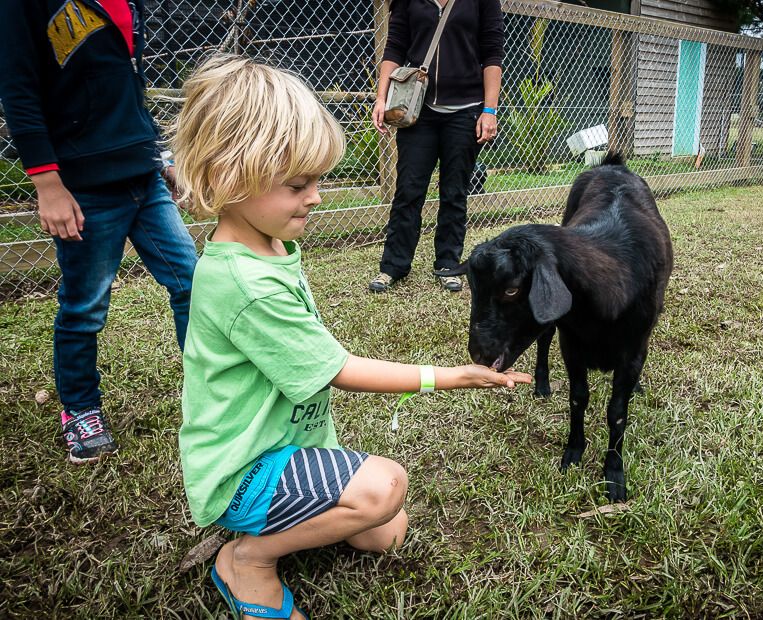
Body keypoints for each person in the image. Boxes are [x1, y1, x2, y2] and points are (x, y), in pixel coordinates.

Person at [172, 55, 531, 619]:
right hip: (242, 471)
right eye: (297, 184)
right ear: (227, 177)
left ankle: (297, 519)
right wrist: (450, 377)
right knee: (385, 487)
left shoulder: (270, 247)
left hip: (292, 447)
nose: (315, 196)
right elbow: (337, 368)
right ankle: (249, 558)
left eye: (317, 180)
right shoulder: (244, 283)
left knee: (385, 533)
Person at [0, 0, 197, 464]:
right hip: (83, 185)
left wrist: (159, 155)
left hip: (142, 175)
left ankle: (211, 388)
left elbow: (127, 84)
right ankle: (81, 411)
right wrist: (48, 184)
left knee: (192, 282)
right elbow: (18, 90)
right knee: (85, 308)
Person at [369, 0, 504, 293]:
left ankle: (447, 264)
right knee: (408, 190)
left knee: (454, 191)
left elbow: (492, 53)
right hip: (418, 110)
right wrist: (381, 98)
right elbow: (394, 47)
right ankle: (393, 266)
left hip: (466, 110)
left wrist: (489, 110)